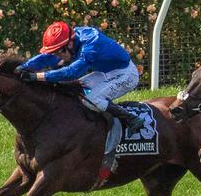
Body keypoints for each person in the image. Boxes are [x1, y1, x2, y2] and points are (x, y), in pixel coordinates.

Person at [16, 21, 144, 133]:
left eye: (58, 52)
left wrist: (36, 76)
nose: (57, 56)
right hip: (106, 72)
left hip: (127, 74)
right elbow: (47, 57)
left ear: (70, 45)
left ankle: (131, 119)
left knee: (93, 99)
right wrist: (24, 66)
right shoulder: (71, 40)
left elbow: (70, 72)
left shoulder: (90, 46)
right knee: (75, 88)